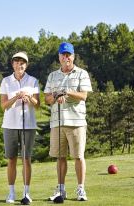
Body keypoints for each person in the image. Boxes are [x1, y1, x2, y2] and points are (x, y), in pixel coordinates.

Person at [44, 42, 92, 201]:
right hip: (57, 122)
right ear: (59, 56)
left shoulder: (81, 73)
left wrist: (67, 92)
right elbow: (47, 99)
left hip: (76, 122)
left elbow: (84, 95)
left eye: (68, 55)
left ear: (73, 56)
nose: (66, 57)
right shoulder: (52, 76)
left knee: (78, 156)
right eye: (63, 55)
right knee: (60, 157)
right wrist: (56, 96)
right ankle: (61, 190)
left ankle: (80, 189)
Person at [0, 51, 40, 204]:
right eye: (16, 62)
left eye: (22, 62)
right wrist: (16, 97)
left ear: (26, 65)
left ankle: (26, 192)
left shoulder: (33, 81)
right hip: (9, 125)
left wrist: (28, 98)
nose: (19, 64)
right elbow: (3, 105)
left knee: (26, 159)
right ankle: (11, 192)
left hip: (28, 125)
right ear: (12, 64)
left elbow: (37, 105)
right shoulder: (6, 81)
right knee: (11, 159)